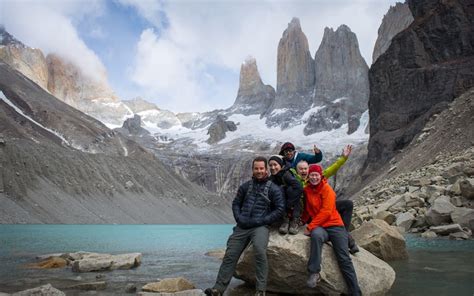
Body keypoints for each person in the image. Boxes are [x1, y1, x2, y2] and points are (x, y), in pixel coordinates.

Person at [205, 156, 285, 296]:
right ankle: (218, 289)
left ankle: (260, 291)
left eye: (261, 168)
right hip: (243, 226)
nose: (259, 171)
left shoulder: (274, 189)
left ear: (266, 169)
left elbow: (279, 209)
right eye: (256, 168)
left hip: (260, 227)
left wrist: (263, 220)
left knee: (259, 251)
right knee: (230, 254)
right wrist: (239, 218)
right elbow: (236, 203)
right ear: (252, 170)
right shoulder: (245, 187)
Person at [302, 164, 361, 295]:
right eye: (312, 175)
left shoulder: (327, 189)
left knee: (343, 258)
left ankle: (355, 292)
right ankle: (314, 272)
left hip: (335, 225)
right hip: (321, 227)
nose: (314, 177)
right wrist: (302, 221)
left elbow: (327, 211)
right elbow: (307, 210)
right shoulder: (306, 190)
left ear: (321, 176)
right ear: (308, 176)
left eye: (316, 175)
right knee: (316, 235)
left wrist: (310, 226)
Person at [292, 145, 359, 254]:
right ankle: (348, 240)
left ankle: (344, 234)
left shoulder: (315, 176)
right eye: (301, 169)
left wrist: (343, 158)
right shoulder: (295, 181)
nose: (303, 171)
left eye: (305, 168)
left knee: (347, 204)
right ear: (297, 170)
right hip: (309, 211)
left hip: (322, 206)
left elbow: (333, 168)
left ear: (308, 170)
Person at [268, 155, 303, 235]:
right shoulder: (273, 177)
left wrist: (288, 203)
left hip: (293, 201)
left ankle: (295, 220)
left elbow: (299, 188)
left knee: (290, 190)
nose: (273, 167)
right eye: (270, 165)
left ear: (280, 165)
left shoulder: (286, 174)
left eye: (275, 165)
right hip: (283, 202)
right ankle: (285, 220)